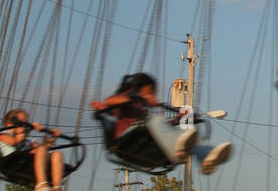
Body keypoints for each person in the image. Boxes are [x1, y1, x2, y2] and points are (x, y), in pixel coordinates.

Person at [93, 74, 231, 172]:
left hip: (147, 144)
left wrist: (178, 120)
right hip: (127, 142)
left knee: (186, 128)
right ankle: (180, 149)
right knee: (156, 119)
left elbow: (160, 132)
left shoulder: (143, 111)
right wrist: (139, 98)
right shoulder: (126, 99)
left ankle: (207, 157)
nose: (153, 96)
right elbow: (109, 102)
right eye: (150, 92)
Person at [0, 109, 65, 191]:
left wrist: (52, 137)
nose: (24, 125)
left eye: (25, 122)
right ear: (10, 122)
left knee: (57, 154)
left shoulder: (27, 139)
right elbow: (13, 141)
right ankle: (41, 184)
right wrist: (24, 131)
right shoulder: (4, 134)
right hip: (12, 162)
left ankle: (56, 188)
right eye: (21, 121)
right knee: (40, 149)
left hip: (28, 161)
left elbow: (42, 149)